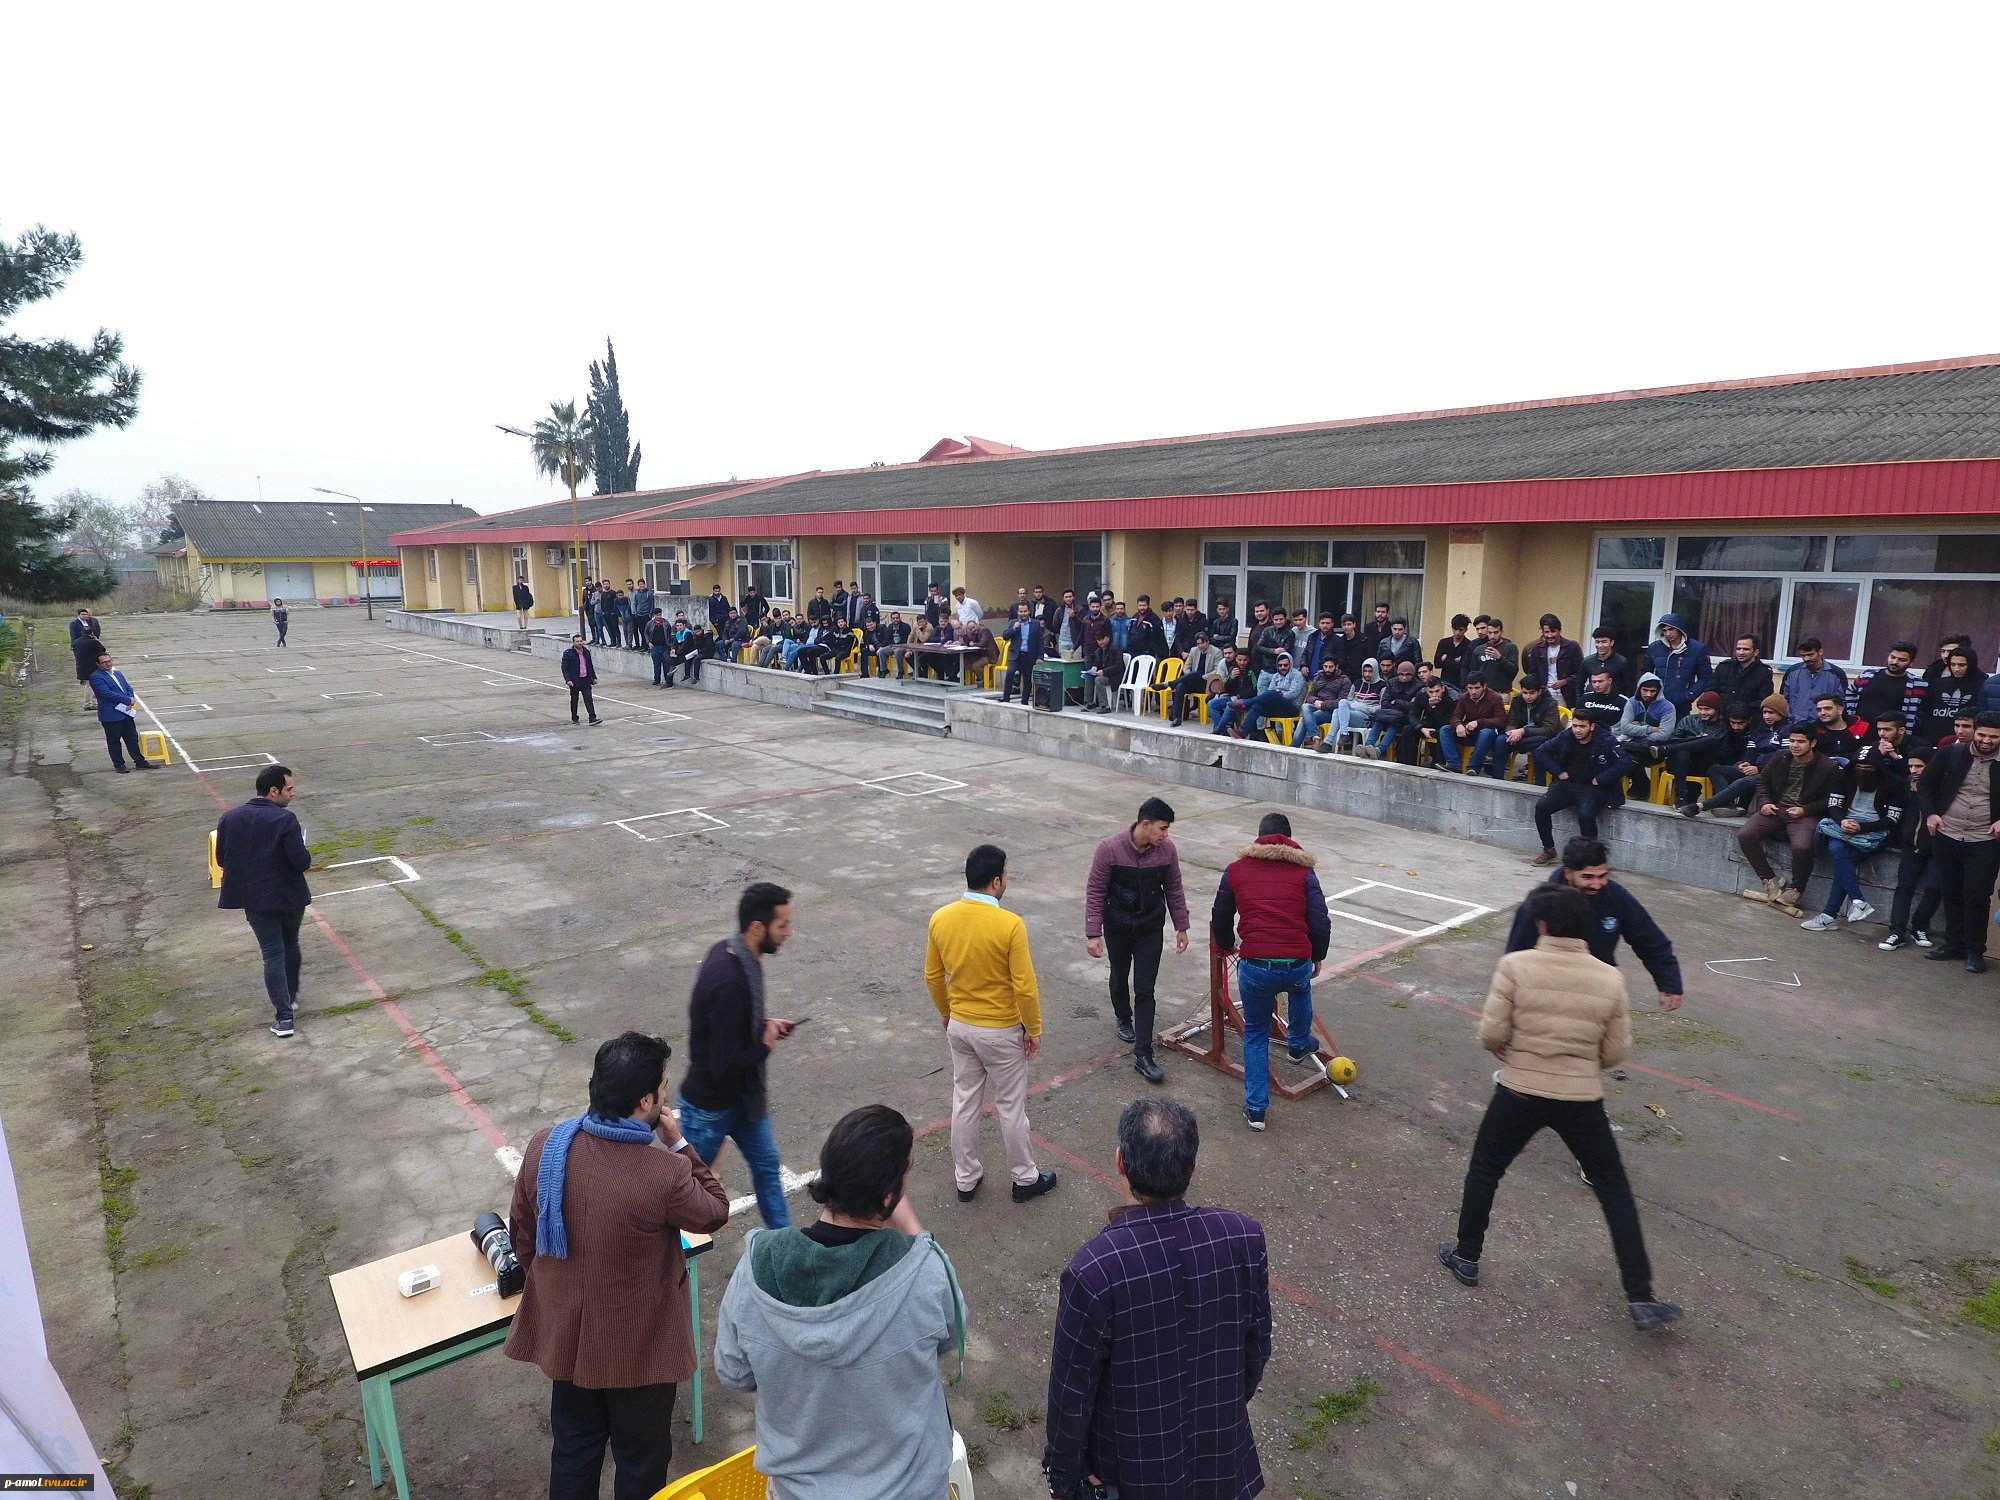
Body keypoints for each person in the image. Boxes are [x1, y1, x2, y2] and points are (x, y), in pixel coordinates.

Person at [1437, 883, 1681, 1332]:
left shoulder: (1515, 965)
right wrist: (1579, 1062)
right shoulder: (1609, 977)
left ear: (1542, 925)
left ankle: (1467, 1255)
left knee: (1486, 1168)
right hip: (1580, 1097)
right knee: (1613, 1190)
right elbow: (1616, 1051)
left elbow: (1492, 1035)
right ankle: (1641, 1295)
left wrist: (1515, 1048)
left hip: (1520, 1090)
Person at [506, 1031, 731, 1500]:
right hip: (638, 1350)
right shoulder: (663, 1174)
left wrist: (557, 1292)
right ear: (645, 1101)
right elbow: (715, 1211)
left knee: (574, 1450)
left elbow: (523, 1236)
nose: (665, 1097)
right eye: (663, 1088)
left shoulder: (546, 1146)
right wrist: (680, 1144)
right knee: (640, 1460)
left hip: (569, 1339)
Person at [715, 1104, 962, 1500]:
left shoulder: (756, 1266)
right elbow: (953, 1333)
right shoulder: (926, 1271)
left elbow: (734, 1372)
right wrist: (916, 1234)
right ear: (888, 1196)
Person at [1042, 1099, 1271, 1500]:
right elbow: (1255, 1351)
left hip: (1131, 1472)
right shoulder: (1243, 1238)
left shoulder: (1094, 1270)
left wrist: (1062, 1477)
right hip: (1220, 1457)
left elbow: (1071, 1396)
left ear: (1120, 1162)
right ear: (1193, 1166)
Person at [927, 844, 1056, 1203]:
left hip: (961, 1026)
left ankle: (966, 1178)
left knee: (965, 1102)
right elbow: (1025, 987)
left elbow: (933, 976)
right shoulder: (1009, 924)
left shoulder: (941, 918)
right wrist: (1033, 1029)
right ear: (996, 881)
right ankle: (1024, 1178)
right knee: (1011, 1107)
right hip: (1000, 1029)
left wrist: (946, 1011)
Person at [679, 882, 799, 1227]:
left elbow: (729, 1025)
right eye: (782, 925)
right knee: (683, 1189)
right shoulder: (729, 980)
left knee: (767, 1168)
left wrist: (765, 1025)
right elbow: (724, 1064)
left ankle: (784, 1242)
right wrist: (765, 1044)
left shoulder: (735, 954)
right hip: (710, 1110)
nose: (788, 933)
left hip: (744, 1101)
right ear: (757, 927)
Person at [1209, 812, 1330, 1131]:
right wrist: (1317, 955)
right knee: (1301, 989)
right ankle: (1298, 1044)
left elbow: (1220, 915)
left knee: (1256, 1033)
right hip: (1295, 961)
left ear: (1259, 837)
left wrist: (1227, 944)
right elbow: (1320, 921)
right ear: (1289, 838)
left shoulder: (1236, 869)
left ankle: (1256, 1111)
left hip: (1256, 965)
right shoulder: (1304, 872)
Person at [1084, 798, 1191, 1082]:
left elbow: (1174, 888)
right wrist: (1093, 933)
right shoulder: (1109, 849)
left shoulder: (1167, 850)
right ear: (1145, 824)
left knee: (1145, 988)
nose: (1166, 834)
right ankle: (1123, 1016)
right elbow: (1096, 890)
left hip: (1150, 928)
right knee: (1119, 977)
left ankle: (1143, 1054)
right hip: (1117, 926)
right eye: (1162, 828)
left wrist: (1182, 926)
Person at [1506, 837, 1683, 1009]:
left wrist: (1669, 981)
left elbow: (1649, 939)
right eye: (1588, 877)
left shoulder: (1615, 897)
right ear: (1568, 873)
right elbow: (1516, 954)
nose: (1597, 884)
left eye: (1602, 876)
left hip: (1596, 991)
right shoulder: (1540, 905)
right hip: (1548, 993)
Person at [213, 764, 312, 1038]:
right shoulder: (285, 820)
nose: (293, 794)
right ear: (274, 791)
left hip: (254, 898)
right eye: (289, 789)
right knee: (290, 944)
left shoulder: (229, 817)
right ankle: (291, 996)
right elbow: (301, 861)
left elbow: (221, 860)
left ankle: (284, 1018)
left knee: (272, 953)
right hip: (289, 897)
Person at [1914, 710, 2000, 973]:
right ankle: (1953, 944)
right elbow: (1925, 785)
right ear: (1975, 731)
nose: (1986, 741)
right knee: (1950, 891)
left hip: (1985, 838)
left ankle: (1974, 950)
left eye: (1994, 737)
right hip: (1948, 832)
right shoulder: (1951, 753)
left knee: (1977, 895)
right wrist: (1931, 813)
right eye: (1982, 734)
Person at [1800, 754, 1905, 932]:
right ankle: (1856, 902)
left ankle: (1830, 915)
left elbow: (1893, 818)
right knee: (1837, 849)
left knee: (1845, 863)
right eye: (1859, 767)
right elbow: (1833, 806)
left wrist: (1862, 827)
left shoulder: (1894, 782)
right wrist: (1842, 821)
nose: (1863, 771)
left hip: (1873, 830)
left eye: (1869, 767)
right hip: (1843, 825)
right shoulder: (1843, 776)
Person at [1737, 727, 1836, 913]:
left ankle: (1796, 890)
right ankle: (1769, 879)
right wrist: (1765, 802)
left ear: (1813, 743)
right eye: (1792, 741)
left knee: (1802, 847)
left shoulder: (1827, 766)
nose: (1795, 745)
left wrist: (1805, 810)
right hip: (1776, 808)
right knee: (1745, 835)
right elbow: (1762, 781)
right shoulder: (1781, 756)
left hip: (1804, 813)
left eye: (1800, 742)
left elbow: (1830, 799)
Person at [1530, 713, 1635, 864]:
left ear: (1592, 727)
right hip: (1568, 783)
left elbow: (1626, 762)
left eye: (1582, 726)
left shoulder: (1606, 741)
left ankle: (1592, 859)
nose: (1577, 730)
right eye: (1575, 726)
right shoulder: (1566, 736)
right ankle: (1549, 850)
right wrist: (1558, 772)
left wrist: (1601, 779)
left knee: (1585, 816)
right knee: (1541, 807)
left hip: (1593, 787)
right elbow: (1541, 751)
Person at [1683, 694, 1793, 818]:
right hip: (1754, 769)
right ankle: (1728, 804)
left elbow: (1784, 756)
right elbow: (1751, 750)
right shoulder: (1759, 730)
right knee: (1714, 769)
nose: (1767, 716)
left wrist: (1759, 768)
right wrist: (1746, 763)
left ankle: (1700, 806)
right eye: (1764, 712)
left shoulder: (1787, 730)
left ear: (1781, 713)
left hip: (1774, 773)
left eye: (1771, 712)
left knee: (1744, 782)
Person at [1880, 746, 1941, 951]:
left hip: (1939, 848)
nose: (1914, 770)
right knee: (1904, 887)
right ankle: (1897, 931)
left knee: (1935, 887)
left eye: (1919, 766)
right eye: (1911, 766)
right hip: (1911, 845)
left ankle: (1920, 926)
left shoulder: (1945, 786)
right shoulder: (1907, 784)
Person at [88, 649, 157, 773]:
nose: (108, 664)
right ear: (98, 664)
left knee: (132, 738)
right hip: (111, 715)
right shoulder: (96, 677)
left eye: (109, 661)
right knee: (114, 741)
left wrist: (130, 699)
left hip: (126, 712)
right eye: (104, 662)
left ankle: (140, 761)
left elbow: (128, 687)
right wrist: (127, 700)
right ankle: (119, 765)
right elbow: (106, 694)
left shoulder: (118, 673)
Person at [1613, 672, 1678, 792]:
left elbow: (1664, 735)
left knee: (1628, 757)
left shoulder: (1668, 707)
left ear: (1658, 691)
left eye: (1652, 691)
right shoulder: (1632, 702)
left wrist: (1637, 730)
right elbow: (1625, 728)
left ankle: (1641, 787)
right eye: (1645, 690)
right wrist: (1650, 728)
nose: (1648, 694)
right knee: (1617, 753)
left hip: (1655, 748)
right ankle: (1643, 785)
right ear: (1639, 689)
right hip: (1631, 744)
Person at [1847, 640, 1924, 736]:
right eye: (1892, 657)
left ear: (1912, 662)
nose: (1895, 662)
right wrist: (1850, 716)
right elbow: (1850, 693)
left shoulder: (1918, 685)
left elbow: (1920, 714)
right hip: (1859, 732)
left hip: (1891, 736)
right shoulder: (1867, 675)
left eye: (1902, 660)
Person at [1438, 672, 1509, 775]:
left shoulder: (1495, 698)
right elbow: (1455, 716)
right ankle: (1454, 764)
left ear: (1484, 686)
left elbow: (1501, 720)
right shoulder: (1464, 697)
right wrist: (1458, 725)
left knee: (1486, 733)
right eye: (1470, 688)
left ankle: (1473, 768)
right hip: (1469, 731)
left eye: (1477, 688)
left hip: (1488, 733)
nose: (1473, 691)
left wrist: (1479, 722)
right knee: (1445, 730)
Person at [1227, 648, 1305, 740]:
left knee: (1272, 694)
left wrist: (1278, 695)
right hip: (1277, 708)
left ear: (1290, 664)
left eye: (1285, 665)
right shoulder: (1276, 676)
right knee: (1257, 706)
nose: (1282, 667)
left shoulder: (1297, 675)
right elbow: (1269, 690)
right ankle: (1243, 732)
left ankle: (1246, 704)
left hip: (1292, 708)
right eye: (1280, 665)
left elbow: (1293, 694)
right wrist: (1275, 695)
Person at [1641, 613, 1711, 716]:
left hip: (1681, 704)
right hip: (1655, 702)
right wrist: (1648, 693)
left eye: (1671, 629)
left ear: (1679, 629)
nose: (1668, 634)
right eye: (1664, 630)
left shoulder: (1697, 649)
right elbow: (1645, 673)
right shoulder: (1654, 648)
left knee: (1680, 726)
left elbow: (1705, 677)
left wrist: (1690, 695)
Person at [1917, 647, 1986, 749]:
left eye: (1961, 665)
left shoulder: (1982, 685)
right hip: (1934, 741)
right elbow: (1926, 713)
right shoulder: (1938, 684)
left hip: (1967, 742)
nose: (1956, 669)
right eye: (1953, 664)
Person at [1499, 675, 1562, 779]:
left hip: (1543, 738)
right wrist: (1511, 732)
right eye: (1525, 693)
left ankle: (1539, 782)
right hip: (1521, 737)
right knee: (1500, 740)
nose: (1527, 697)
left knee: (1540, 745)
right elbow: (1511, 722)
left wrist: (1523, 731)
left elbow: (1548, 730)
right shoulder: (1517, 700)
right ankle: (1498, 777)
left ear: (1539, 691)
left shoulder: (1550, 703)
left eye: (1532, 693)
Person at [1781, 636, 1847, 725]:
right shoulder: (1792, 672)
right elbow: (1783, 699)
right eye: (1803, 655)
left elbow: (1842, 701)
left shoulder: (1837, 674)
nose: (1806, 659)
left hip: (1824, 725)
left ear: (1820, 652)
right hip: (1794, 723)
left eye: (1810, 655)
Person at [1524, 614, 1585, 709]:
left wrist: (1564, 681)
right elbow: (1532, 673)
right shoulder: (1537, 648)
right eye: (1546, 632)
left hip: (1565, 696)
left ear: (1559, 631)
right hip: (1543, 695)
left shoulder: (1572, 647)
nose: (1550, 635)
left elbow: (1581, 673)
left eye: (1553, 631)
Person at [1293, 653, 1351, 750]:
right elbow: (1310, 695)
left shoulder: (1344, 680)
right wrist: (1315, 701)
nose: (1327, 669)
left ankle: (1294, 747)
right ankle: (1315, 737)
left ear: (1336, 666)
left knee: (1304, 719)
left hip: (1331, 712)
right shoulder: (1319, 677)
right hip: (1316, 705)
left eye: (1330, 667)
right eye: (1325, 666)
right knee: (1305, 706)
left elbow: (1341, 702)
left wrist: (1323, 705)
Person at [1709, 634, 1774, 718]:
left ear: (1756, 652)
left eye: (1746, 649)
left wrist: (1741, 710)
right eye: (1738, 649)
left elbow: (1764, 700)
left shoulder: (1764, 672)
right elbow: (1711, 692)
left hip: (1747, 720)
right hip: (1721, 717)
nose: (1741, 652)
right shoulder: (1723, 667)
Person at [998, 600, 1049, 703]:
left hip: (1028, 655)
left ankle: (1024, 700)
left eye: (1025, 611)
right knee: (1010, 673)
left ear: (1029, 611)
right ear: (1018, 612)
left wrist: (1040, 657)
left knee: (1027, 678)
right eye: (1021, 611)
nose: (1023, 614)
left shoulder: (1035, 624)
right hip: (1015, 654)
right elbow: (1005, 636)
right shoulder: (1013, 622)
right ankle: (1006, 697)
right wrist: (1014, 628)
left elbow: (1040, 642)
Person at [1167, 632, 1223, 725]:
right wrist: (1191, 677)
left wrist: (1201, 676)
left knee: (1196, 674)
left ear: (1207, 642)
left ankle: (1171, 683)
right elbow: (1186, 667)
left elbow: (1217, 670)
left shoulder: (1216, 652)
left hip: (1207, 682)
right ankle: (1177, 717)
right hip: (1194, 681)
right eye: (1198, 644)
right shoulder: (1193, 650)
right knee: (1180, 686)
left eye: (1202, 643)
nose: (1200, 646)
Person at [1079, 624, 1125, 713]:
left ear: (1107, 638)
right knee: (1088, 676)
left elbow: (1118, 666)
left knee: (1099, 680)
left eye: (1102, 639)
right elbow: (1098, 663)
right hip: (1104, 674)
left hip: (1115, 676)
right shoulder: (1098, 651)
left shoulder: (1115, 650)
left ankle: (1105, 706)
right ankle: (1089, 702)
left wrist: (1104, 671)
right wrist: (1094, 667)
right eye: (1099, 640)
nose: (1101, 642)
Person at [560, 634, 601, 724]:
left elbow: (590, 666)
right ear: (573, 642)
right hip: (575, 681)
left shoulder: (586, 652)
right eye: (577, 641)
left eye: (581, 641)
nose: (579, 643)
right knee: (574, 700)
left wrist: (594, 677)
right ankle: (574, 717)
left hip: (585, 679)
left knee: (588, 698)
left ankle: (592, 717)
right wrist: (568, 680)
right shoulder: (568, 653)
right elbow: (565, 668)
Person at [1474, 617, 1518, 693]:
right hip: (1483, 692)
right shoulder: (1479, 649)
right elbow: (1474, 672)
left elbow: (1513, 670)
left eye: (1496, 632)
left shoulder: (1510, 648)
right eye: (1490, 633)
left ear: (1502, 632)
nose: (1492, 636)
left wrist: (1499, 657)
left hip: (1502, 691)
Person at [1585, 627, 1632, 695]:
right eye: (1597, 642)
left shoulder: (1621, 662)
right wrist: (1580, 700)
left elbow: (1628, 687)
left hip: (1615, 699)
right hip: (1591, 699)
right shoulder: (1587, 661)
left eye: (1604, 642)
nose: (1600, 645)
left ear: (1611, 643)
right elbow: (1579, 684)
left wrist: (1624, 700)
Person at [71, 612, 104, 708]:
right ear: (91, 633)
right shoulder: (92, 642)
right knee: (90, 685)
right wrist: (96, 640)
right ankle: (88, 703)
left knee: (90, 685)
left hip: (81, 666)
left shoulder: (76, 642)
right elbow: (102, 650)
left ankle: (93, 702)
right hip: (91, 667)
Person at [1433, 613, 1475, 688]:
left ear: (1466, 630)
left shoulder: (1469, 645)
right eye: (1455, 629)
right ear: (1452, 628)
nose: (1457, 632)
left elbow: (1464, 666)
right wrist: (1455, 660)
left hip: (1460, 684)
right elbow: (1437, 663)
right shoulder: (1444, 643)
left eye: (1461, 630)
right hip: (1445, 683)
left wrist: (1446, 659)